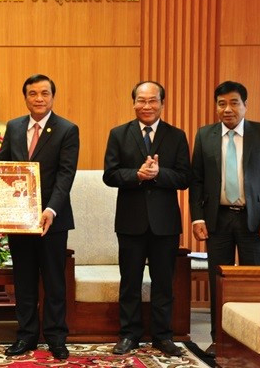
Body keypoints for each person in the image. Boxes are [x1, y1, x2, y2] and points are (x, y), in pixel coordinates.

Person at [189, 80, 260, 357]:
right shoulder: (204, 135)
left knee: (255, 283)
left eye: (233, 103)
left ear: (244, 105)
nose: (227, 109)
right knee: (219, 282)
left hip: (254, 221)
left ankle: (257, 343)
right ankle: (219, 342)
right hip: (217, 220)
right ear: (216, 106)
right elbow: (196, 181)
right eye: (221, 103)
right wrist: (197, 219)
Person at [103, 81, 191, 357]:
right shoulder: (119, 134)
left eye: (153, 101)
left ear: (162, 104)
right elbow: (110, 175)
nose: (147, 106)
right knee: (129, 280)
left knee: (163, 282)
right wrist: (137, 175)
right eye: (141, 100)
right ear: (133, 103)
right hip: (130, 221)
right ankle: (129, 334)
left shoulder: (176, 136)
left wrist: (158, 174)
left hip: (165, 223)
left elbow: (185, 178)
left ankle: (163, 336)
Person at [0, 74, 79, 360]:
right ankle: (27, 336)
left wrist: (51, 209)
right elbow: (3, 168)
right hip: (20, 219)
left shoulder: (67, 130)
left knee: (54, 281)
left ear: (53, 97)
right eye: (33, 93)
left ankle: (56, 337)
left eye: (45, 93)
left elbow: (65, 175)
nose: (39, 98)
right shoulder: (15, 126)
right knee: (24, 279)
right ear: (26, 97)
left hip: (52, 219)